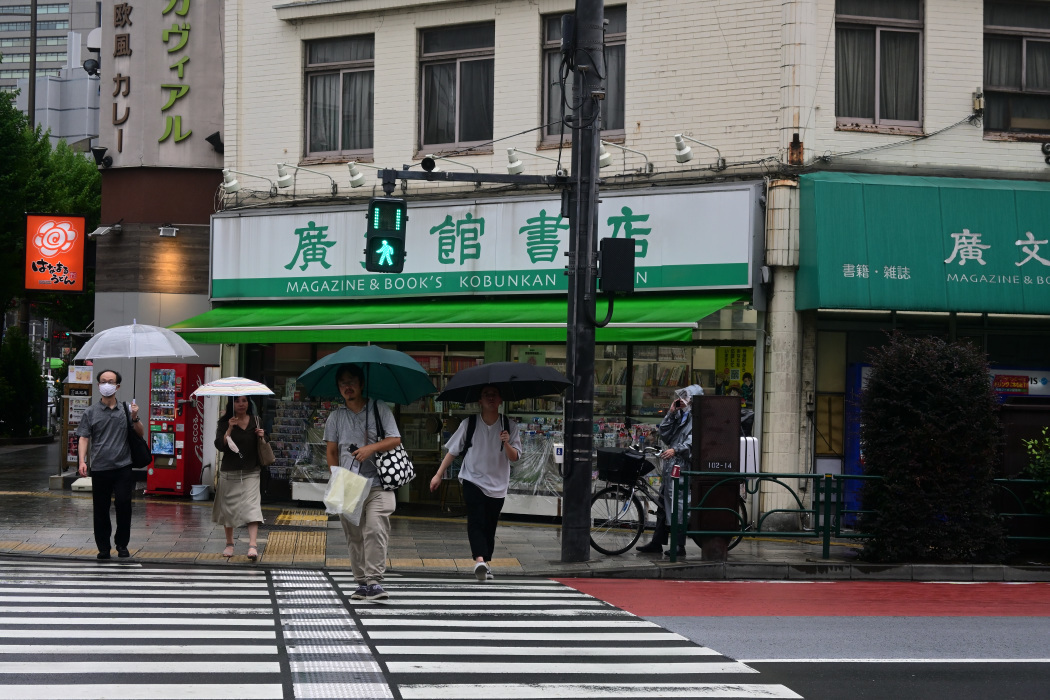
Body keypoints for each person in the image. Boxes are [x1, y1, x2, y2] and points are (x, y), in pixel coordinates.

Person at [325, 364, 401, 601]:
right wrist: (337, 477)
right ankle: (361, 582)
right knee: (354, 535)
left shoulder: (379, 408)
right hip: (349, 483)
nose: (347, 387)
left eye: (351, 381)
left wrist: (370, 449)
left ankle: (374, 581)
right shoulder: (336, 417)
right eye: (342, 383)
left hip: (379, 482)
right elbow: (331, 452)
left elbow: (395, 439)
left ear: (361, 384)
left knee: (375, 529)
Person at [430, 385, 522, 581]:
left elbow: (514, 457)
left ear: (500, 400)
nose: (490, 398)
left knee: (490, 524)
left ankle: (485, 563)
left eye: (494, 394)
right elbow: (453, 451)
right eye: (485, 395)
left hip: (498, 484)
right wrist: (438, 474)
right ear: (479, 401)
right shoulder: (469, 423)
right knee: (476, 519)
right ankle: (479, 560)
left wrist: (506, 442)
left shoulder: (510, 426)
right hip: (473, 479)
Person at [75, 369, 144, 560]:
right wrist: (82, 461)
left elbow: (140, 433)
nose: (107, 385)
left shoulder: (126, 409)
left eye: (111, 382)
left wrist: (135, 417)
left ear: (117, 386)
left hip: (123, 466)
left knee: (123, 505)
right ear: (98, 385)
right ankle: (103, 548)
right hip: (100, 468)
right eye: (103, 381)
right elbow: (83, 438)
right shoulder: (91, 412)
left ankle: (122, 544)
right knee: (101, 509)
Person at [636, 384, 704, 557]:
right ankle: (657, 542)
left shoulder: (697, 418)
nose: (682, 400)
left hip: (682, 466)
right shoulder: (681, 415)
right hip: (671, 466)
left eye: (686, 397)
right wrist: (671, 413)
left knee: (678, 505)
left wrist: (677, 450)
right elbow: (665, 435)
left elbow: (692, 442)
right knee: (662, 503)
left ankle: (679, 546)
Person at [213, 395, 266, 562]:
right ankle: (229, 544)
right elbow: (220, 446)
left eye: (244, 401)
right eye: (237, 401)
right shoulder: (224, 422)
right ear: (232, 404)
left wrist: (262, 435)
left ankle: (252, 546)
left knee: (252, 507)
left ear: (248, 403)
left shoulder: (256, 420)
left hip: (251, 470)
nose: (241, 404)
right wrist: (229, 429)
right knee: (229, 509)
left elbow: (263, 444)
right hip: (230, 471)